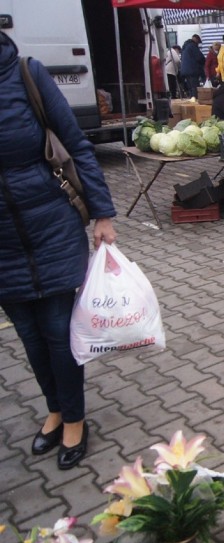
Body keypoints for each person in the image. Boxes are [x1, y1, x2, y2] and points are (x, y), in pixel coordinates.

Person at [0, 31, 118, 470]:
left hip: (50, 223)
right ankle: (54, 408)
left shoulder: (26, 73)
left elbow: (78, 145)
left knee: (56, 329)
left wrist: (103, 214)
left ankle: (74, 418)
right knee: (28, 336)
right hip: (3, 242)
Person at [179, 34, 205, 98]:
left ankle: (192, 100)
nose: (198, 44)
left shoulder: (185, 46)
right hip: (192, 70)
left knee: (190, 88)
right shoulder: (192, 46)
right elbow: (200, 57)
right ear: (196, 39)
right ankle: (195, 102)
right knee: (195, 88)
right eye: (198, 42)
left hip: (185, 70)